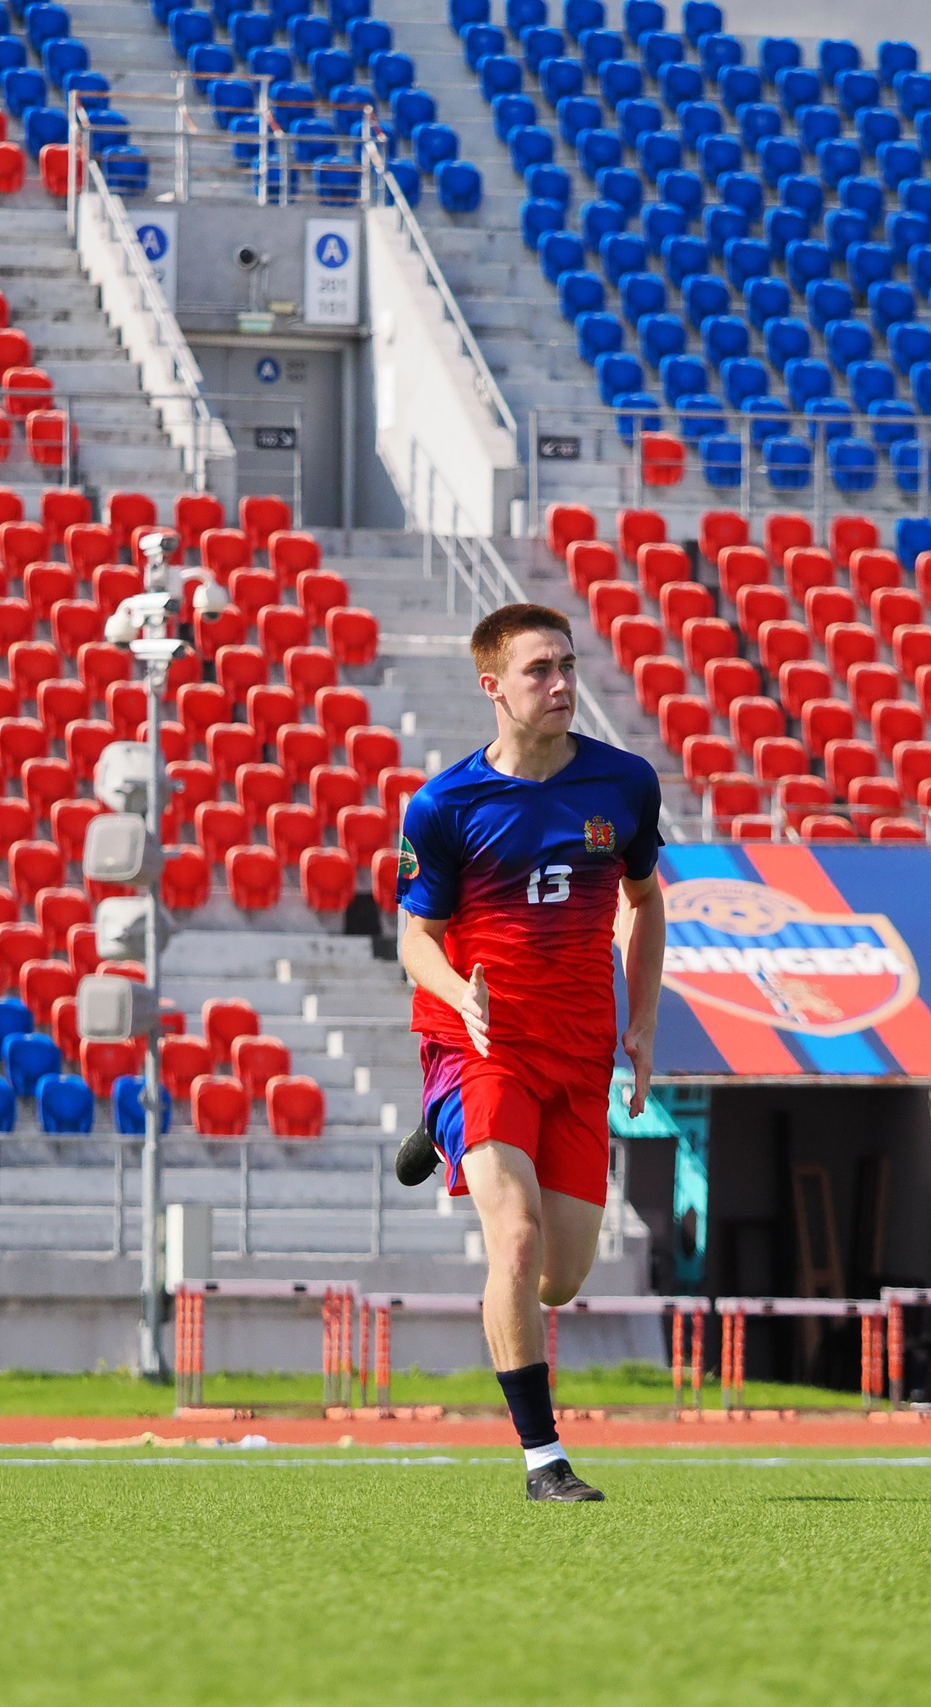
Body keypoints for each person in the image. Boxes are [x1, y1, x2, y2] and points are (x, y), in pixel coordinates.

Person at [392, 603, 665, 1502]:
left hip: (580, 1050)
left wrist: (643, 1019)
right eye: (539, 669)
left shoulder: (623, 784)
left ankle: (440, 1130)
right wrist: (454, 990)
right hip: (484, 1043)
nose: (561, 684)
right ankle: (543, 1459)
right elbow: (414, 939)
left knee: (559, 1278)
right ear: (493, 686)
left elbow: (644, 898)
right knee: (512, 1242)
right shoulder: (444, 806)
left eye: (567, 665)